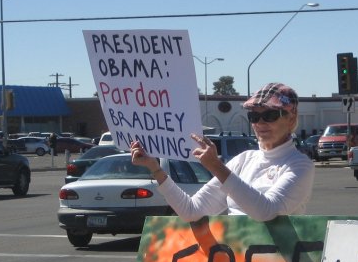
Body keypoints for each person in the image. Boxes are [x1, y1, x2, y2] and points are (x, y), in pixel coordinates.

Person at [130, 82, 314, 221]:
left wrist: (216, 166)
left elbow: (266, 212)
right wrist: (155, 169)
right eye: (254, 116)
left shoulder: (300, 164)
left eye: (270, 115)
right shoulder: (243, 160)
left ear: (291, 119)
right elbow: (192, 211)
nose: (260, 123)